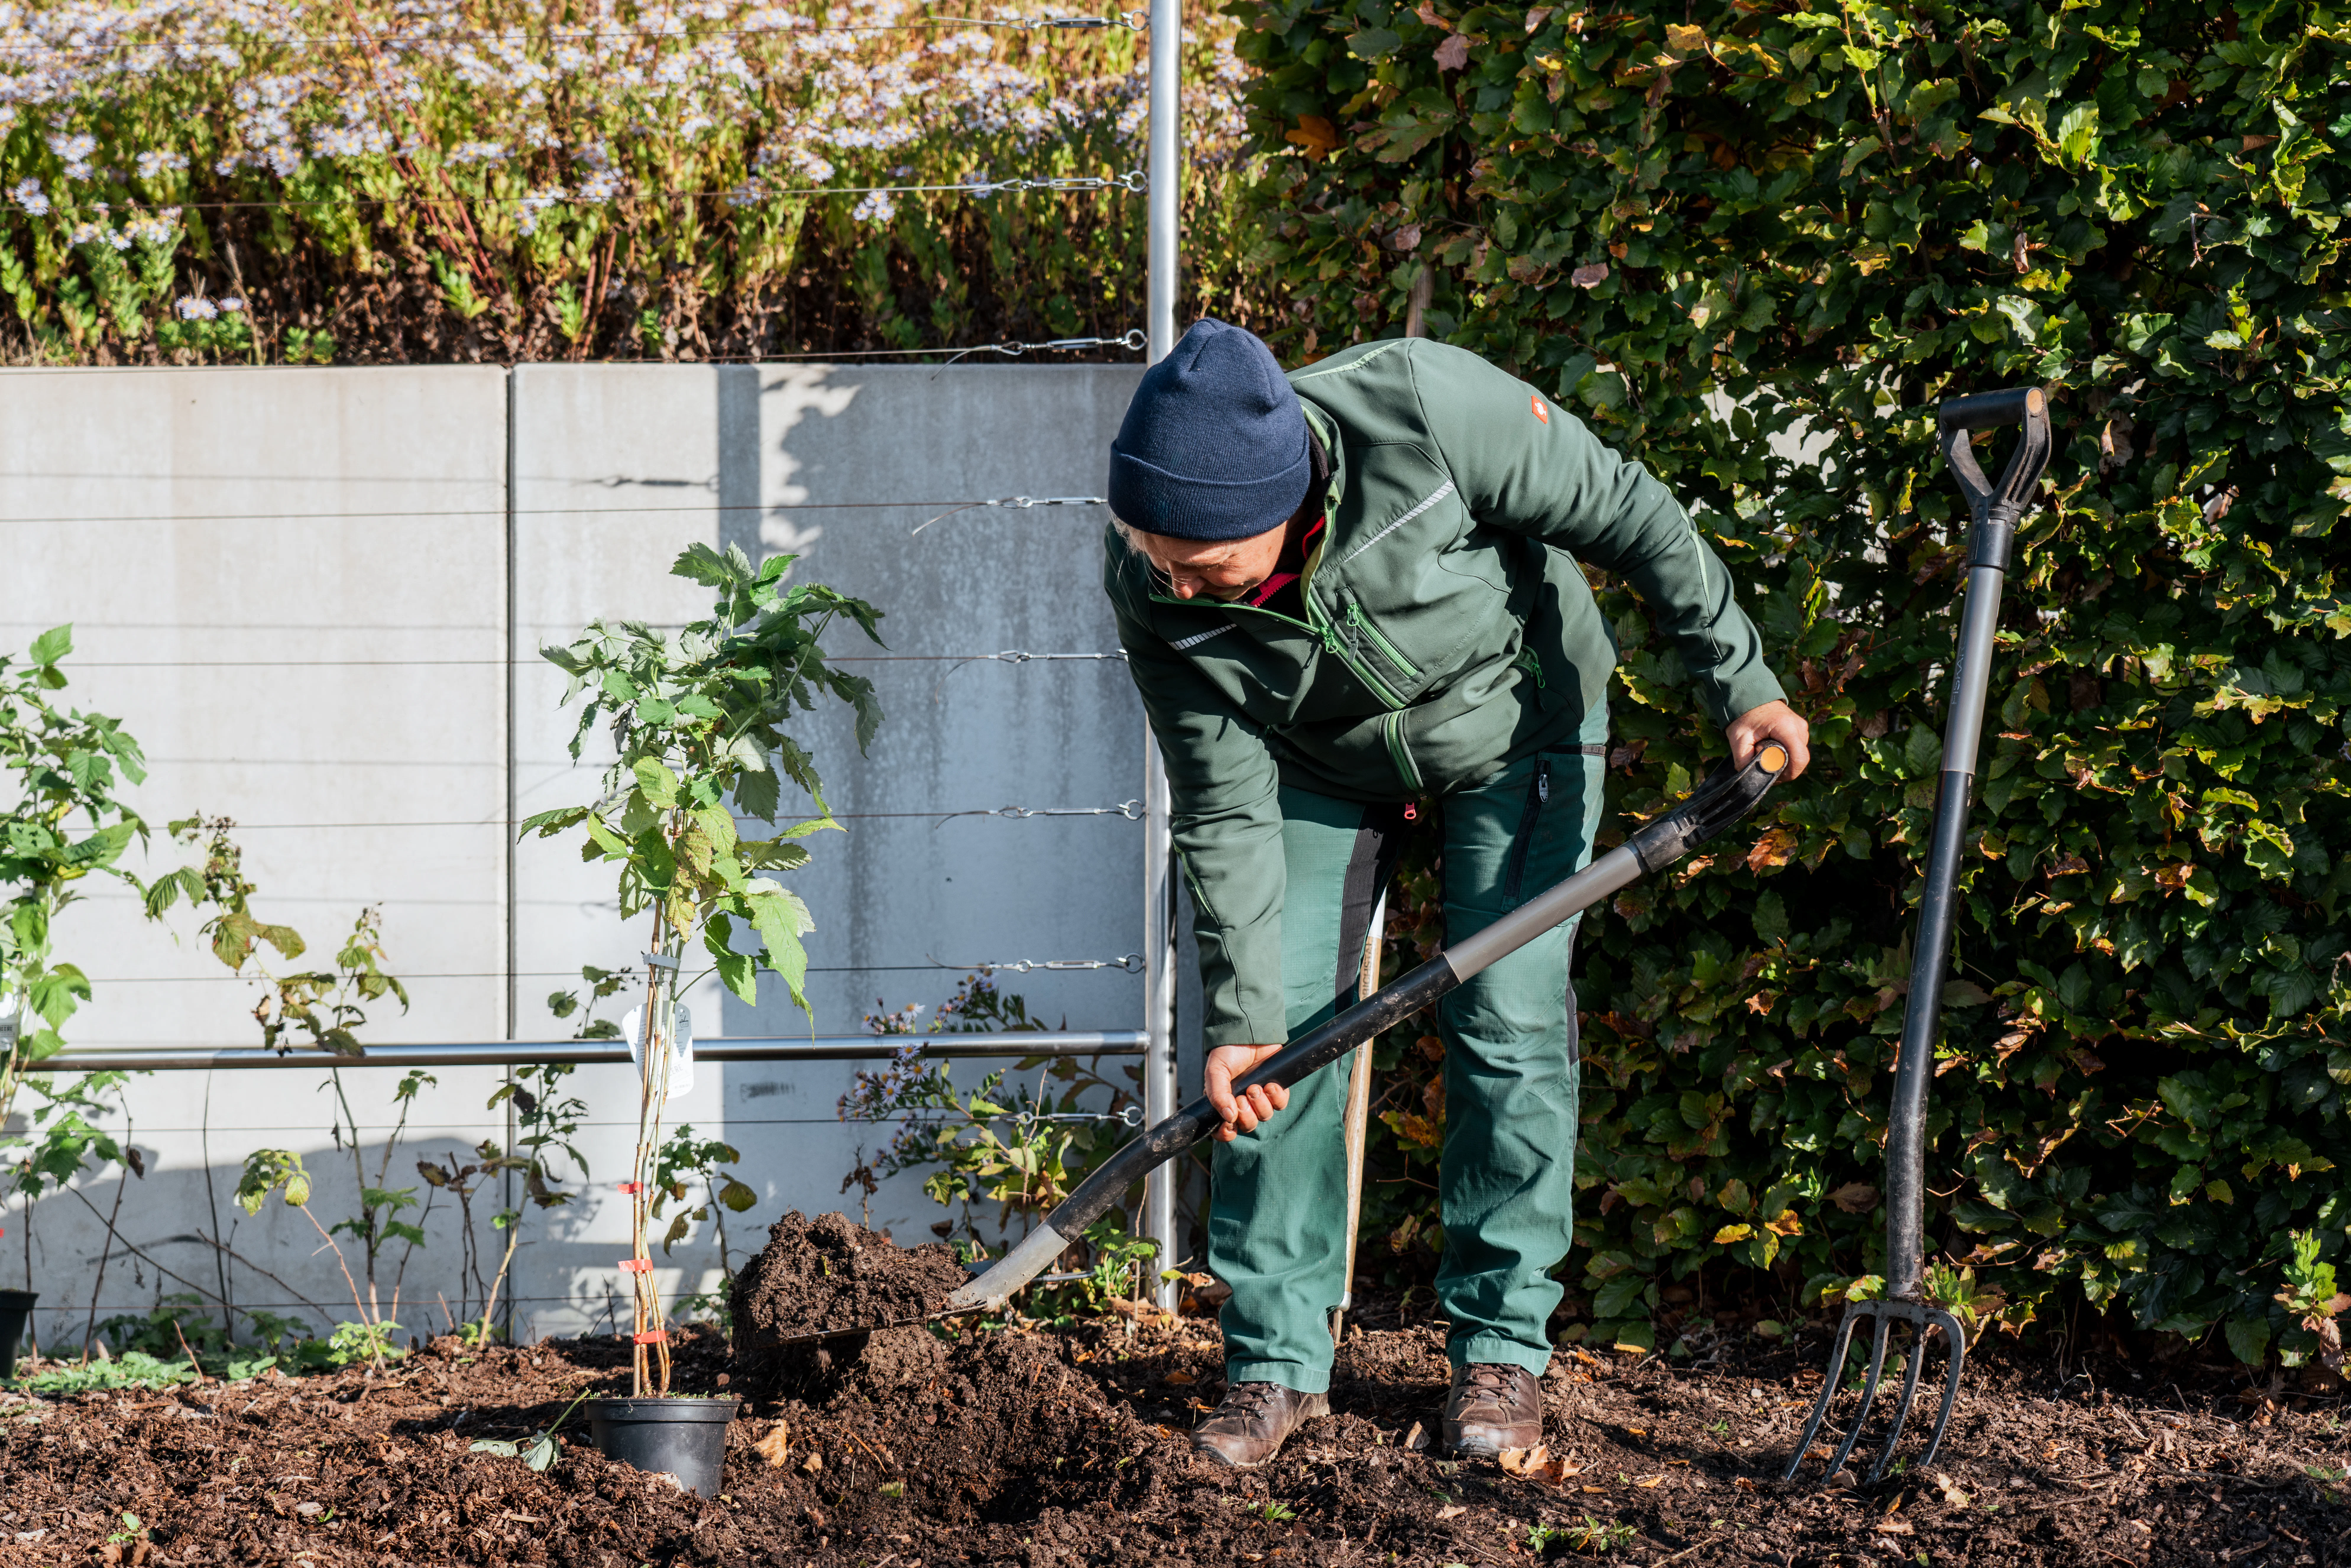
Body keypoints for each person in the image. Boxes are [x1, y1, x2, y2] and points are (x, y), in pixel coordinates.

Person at [1102, 319, 1810, 1469]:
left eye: (1199, 562)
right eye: (1153, 551)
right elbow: (1221, 805)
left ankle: (1498, 1356)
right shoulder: (1151, 579)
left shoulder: (1425, 412)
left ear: (1281, 510)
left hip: (1514, 730)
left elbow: (1630, 513)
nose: (1173, 579)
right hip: (1315, 768)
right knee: (1274, 1057)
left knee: (1510, 1024)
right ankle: (1273, 1366)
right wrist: (1238, 1024)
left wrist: (1740, 681)